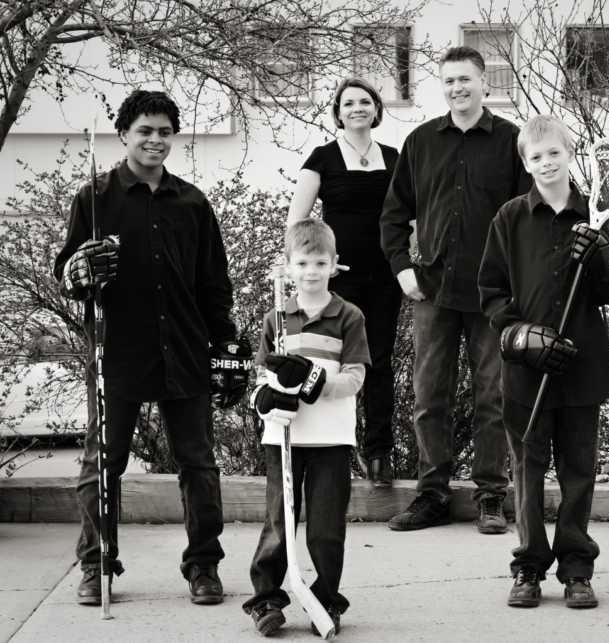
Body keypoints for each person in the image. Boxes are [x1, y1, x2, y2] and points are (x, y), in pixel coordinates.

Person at [54, 89, 250, 606]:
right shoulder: (94, 198)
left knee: (199, 465)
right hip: (117, 350)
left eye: (165, 131)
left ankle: (203, 566)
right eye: (145, 130)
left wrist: (226, 341)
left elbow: (214, 283)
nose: (155, 140)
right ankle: (97, 565)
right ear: (124, 134)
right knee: (103, 464)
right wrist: (79, 273)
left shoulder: (192, 202)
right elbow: (67, 272)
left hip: (184, 347)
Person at [478, 115, 609, 608]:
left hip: (582, 368)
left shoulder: (597, 215)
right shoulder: (511, 218)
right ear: (526, 163)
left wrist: (605, 255)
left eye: (554, 153)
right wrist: (518, 335)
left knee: (578, 470)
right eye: (536, 157)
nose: (546, 163)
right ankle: (528, 567)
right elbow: (492, 292)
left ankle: (577, 569)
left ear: (570, 153)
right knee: (526, 468)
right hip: (527, 372)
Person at [380, 46, 530, 533]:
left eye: (465, 79)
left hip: (493, 295)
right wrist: (403, 268)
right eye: (448, 81)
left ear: (485, 83)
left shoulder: (512, 141)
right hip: (434, 291)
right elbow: (394, 214)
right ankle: (432, 495)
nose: (456, 89)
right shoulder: (421, 141)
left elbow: (529, 216)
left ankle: (491, 496)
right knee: (429, 397)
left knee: (494, 396)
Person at [242, 219, 370, 636]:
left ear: (334, 266)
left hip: (331, 438)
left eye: (320, 262)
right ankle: (266, 600)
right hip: (283, 438)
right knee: (279, 521)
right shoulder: (276, 319)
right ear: (289, 266)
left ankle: (326, 601)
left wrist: (315, 382)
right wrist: (265, 401)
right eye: (303, 263)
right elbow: (263, 380)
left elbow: (354, 378)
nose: (311, 271)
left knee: (326, 527)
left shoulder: (348, 316)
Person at [288, 77, 401, 488]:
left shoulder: (394, 157)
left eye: (365, 102)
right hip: (340, 282)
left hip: (386, 278)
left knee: (380, 362)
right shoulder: (322, 158)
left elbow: (409, 215)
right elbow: (297, 224)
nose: (357, 108)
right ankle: (335, 450)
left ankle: (378, 454)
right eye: (349, 102)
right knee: (335, 363)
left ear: (375, 109)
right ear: (338, 111)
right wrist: (312, 269)